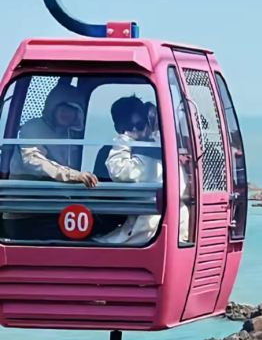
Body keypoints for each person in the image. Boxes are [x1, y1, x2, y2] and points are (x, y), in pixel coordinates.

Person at [95, 95, 163, 245]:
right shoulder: (106, 152)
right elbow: (102, 198)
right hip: (121, 217)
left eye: (139, 125)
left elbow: (120, 172)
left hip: (145, 227)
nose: (134, 131)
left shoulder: (156, 151)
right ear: (117, 128)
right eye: (127, 127)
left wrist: (124, 140)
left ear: (148, 123)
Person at [11, 82, 97, 187]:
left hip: (58, 188)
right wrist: (71, 175)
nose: (67, 114)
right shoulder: (34, 127)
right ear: (52, 108)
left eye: (72, 111)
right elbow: (33, 161)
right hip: (26, 186)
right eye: (63, 109)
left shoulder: (70, 135)